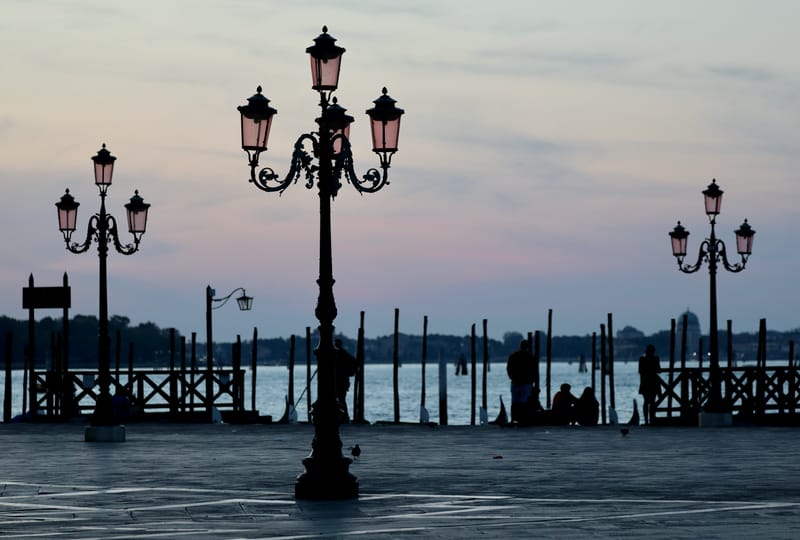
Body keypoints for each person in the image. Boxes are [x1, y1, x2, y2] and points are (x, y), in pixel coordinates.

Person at [506, 339, 536, 424]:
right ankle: (522, 420)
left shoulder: (513, 356)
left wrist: (511, 377)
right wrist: (532, 380)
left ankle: (513, 419)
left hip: (515, 382)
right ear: (527, 347)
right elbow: (534, 370)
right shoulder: (530, 356)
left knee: (514, 402)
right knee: (523, 402)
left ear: (520, 346)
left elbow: (508, 368)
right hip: (526, 383)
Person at [334, 338, 357, 423]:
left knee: (341, 399)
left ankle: (344, 417)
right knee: (339, 399)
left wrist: (347, 372)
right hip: (337, 381)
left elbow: (354, 362)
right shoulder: (337, 354)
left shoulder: (343, 354)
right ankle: (341, 417)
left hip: (341, 381)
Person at [638, 344, 661, 425]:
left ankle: (646, 420)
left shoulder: (642, 359)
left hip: (645, 382)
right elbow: (659, 370)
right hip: (653, 382)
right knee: (652, 402)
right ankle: (652, 419)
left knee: (646, 401)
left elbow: (640, 371)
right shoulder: (656, 359)